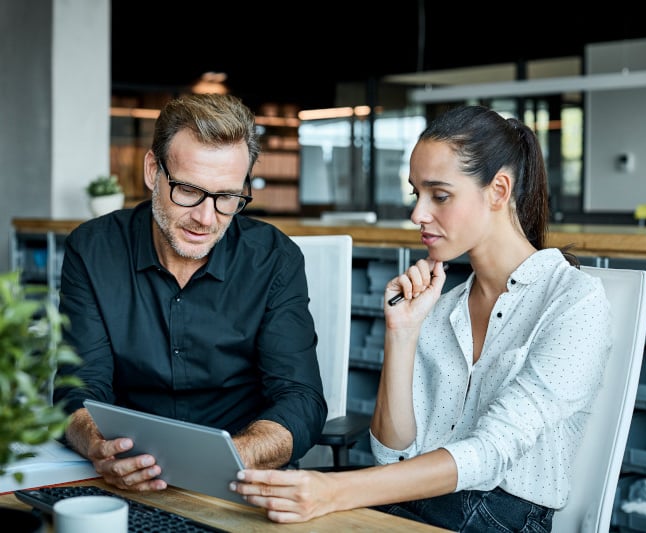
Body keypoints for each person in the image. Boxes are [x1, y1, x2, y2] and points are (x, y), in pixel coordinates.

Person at [230, 105, 612, 532]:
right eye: (417, 194)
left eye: (440, 195)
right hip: (424, 503)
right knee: (261, 515)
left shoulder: (574, 301)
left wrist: (334, 491)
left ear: (499, 190)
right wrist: (403, 333)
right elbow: (391, 455)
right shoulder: (442, 307)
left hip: (502, 518)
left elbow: (490, 454)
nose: (417, 215)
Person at [53, 93, 327, 492]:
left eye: (227, 197)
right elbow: (78, 388)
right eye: (187, 190)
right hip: (125, 475)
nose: (205, 218)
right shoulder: (93, 250)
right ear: (153, 171)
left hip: (240, 478)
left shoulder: (274, 260)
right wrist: (99, 446)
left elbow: (300, 399)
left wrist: (232, 456)